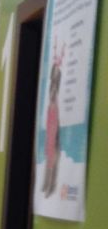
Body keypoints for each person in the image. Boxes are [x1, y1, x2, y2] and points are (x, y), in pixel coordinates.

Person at [42, 46, 63, 197]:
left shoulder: (55, 103)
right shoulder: (50, 104)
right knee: (49, 151)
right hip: (51, 116)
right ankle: (47, 182)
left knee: (53, 153)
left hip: (54, 119)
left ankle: (51, 183)